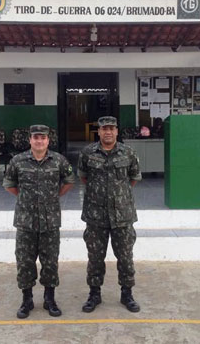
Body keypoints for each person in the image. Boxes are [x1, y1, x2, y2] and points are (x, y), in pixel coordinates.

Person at [3, 124, 75, 319]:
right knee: (25, 262)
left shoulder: (58, 160)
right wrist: (24, 198)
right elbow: (9, 184)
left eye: (43, 138)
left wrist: (54, 197)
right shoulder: (18, 161)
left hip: (50, 220)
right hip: (25, 222)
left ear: (48, 140)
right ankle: (27, 300)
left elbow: (69, 180)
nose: (39, 141)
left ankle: (49, 299)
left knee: (50, 262)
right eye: (36, 137)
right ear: (30, 140)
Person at [77, 116, 142, 313]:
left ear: (116, 131)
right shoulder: (88, 153)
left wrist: (117, 197)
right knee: (95, 257)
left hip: (122, 215)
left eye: (111, 128)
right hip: (95, 215)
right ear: (99, 131)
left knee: (125, 257)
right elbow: (83, 177)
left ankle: (127, 294)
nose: (108, 132)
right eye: (104, 128)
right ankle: (94, 294)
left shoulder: (128, 152)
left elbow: (133, 178)